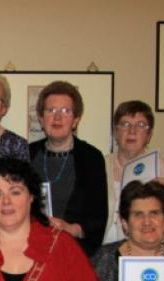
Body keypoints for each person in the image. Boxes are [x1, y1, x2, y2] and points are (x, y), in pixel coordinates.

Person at [29, 81, 108, 255]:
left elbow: (98, 216)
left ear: (76, 120)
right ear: (41, 119)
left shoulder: (92, 157)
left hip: (74, 250)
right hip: (30, 249)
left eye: (66, 111)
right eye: (51, 111)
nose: (57, 118)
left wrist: (71, 228)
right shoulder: (27, 153)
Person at [103, 100, 164, 243]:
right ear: (115, 133)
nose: (132, 131)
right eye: (125, 124)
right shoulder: (100, 165)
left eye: (141, 125)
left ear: (149, 135)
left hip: (150, 256)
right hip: (105, 256)